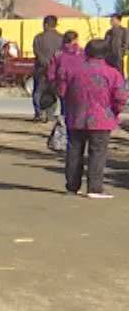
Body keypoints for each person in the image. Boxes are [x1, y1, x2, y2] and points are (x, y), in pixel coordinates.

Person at [53, 39, 128, 198]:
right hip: (102, 119)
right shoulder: (112, 73)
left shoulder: (72, 70)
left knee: (74, 151)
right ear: (105, 54)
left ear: (86, 52)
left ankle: (72, 186)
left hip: (76, 116)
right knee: (98, 153)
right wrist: (114, 111)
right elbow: (120, 97)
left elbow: (62, 90)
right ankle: (94, 188)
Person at [32, 15, 63, 121]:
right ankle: (50, 114)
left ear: (45, 24)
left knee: (38, 92)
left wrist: (45, 63)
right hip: (56, 71)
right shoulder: (61, 38)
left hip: (41, 69)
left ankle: (39, 113)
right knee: (54, 93)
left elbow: (37, 53)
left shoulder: (38, 38)